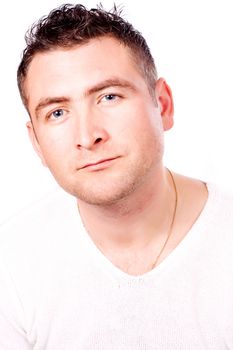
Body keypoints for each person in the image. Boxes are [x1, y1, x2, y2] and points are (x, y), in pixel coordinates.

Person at [0, 3, 232, 349]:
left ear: (163, 105)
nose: (87, 135)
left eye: (109, 96)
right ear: (35, 141)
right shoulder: (11, 265)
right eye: (58, 112)